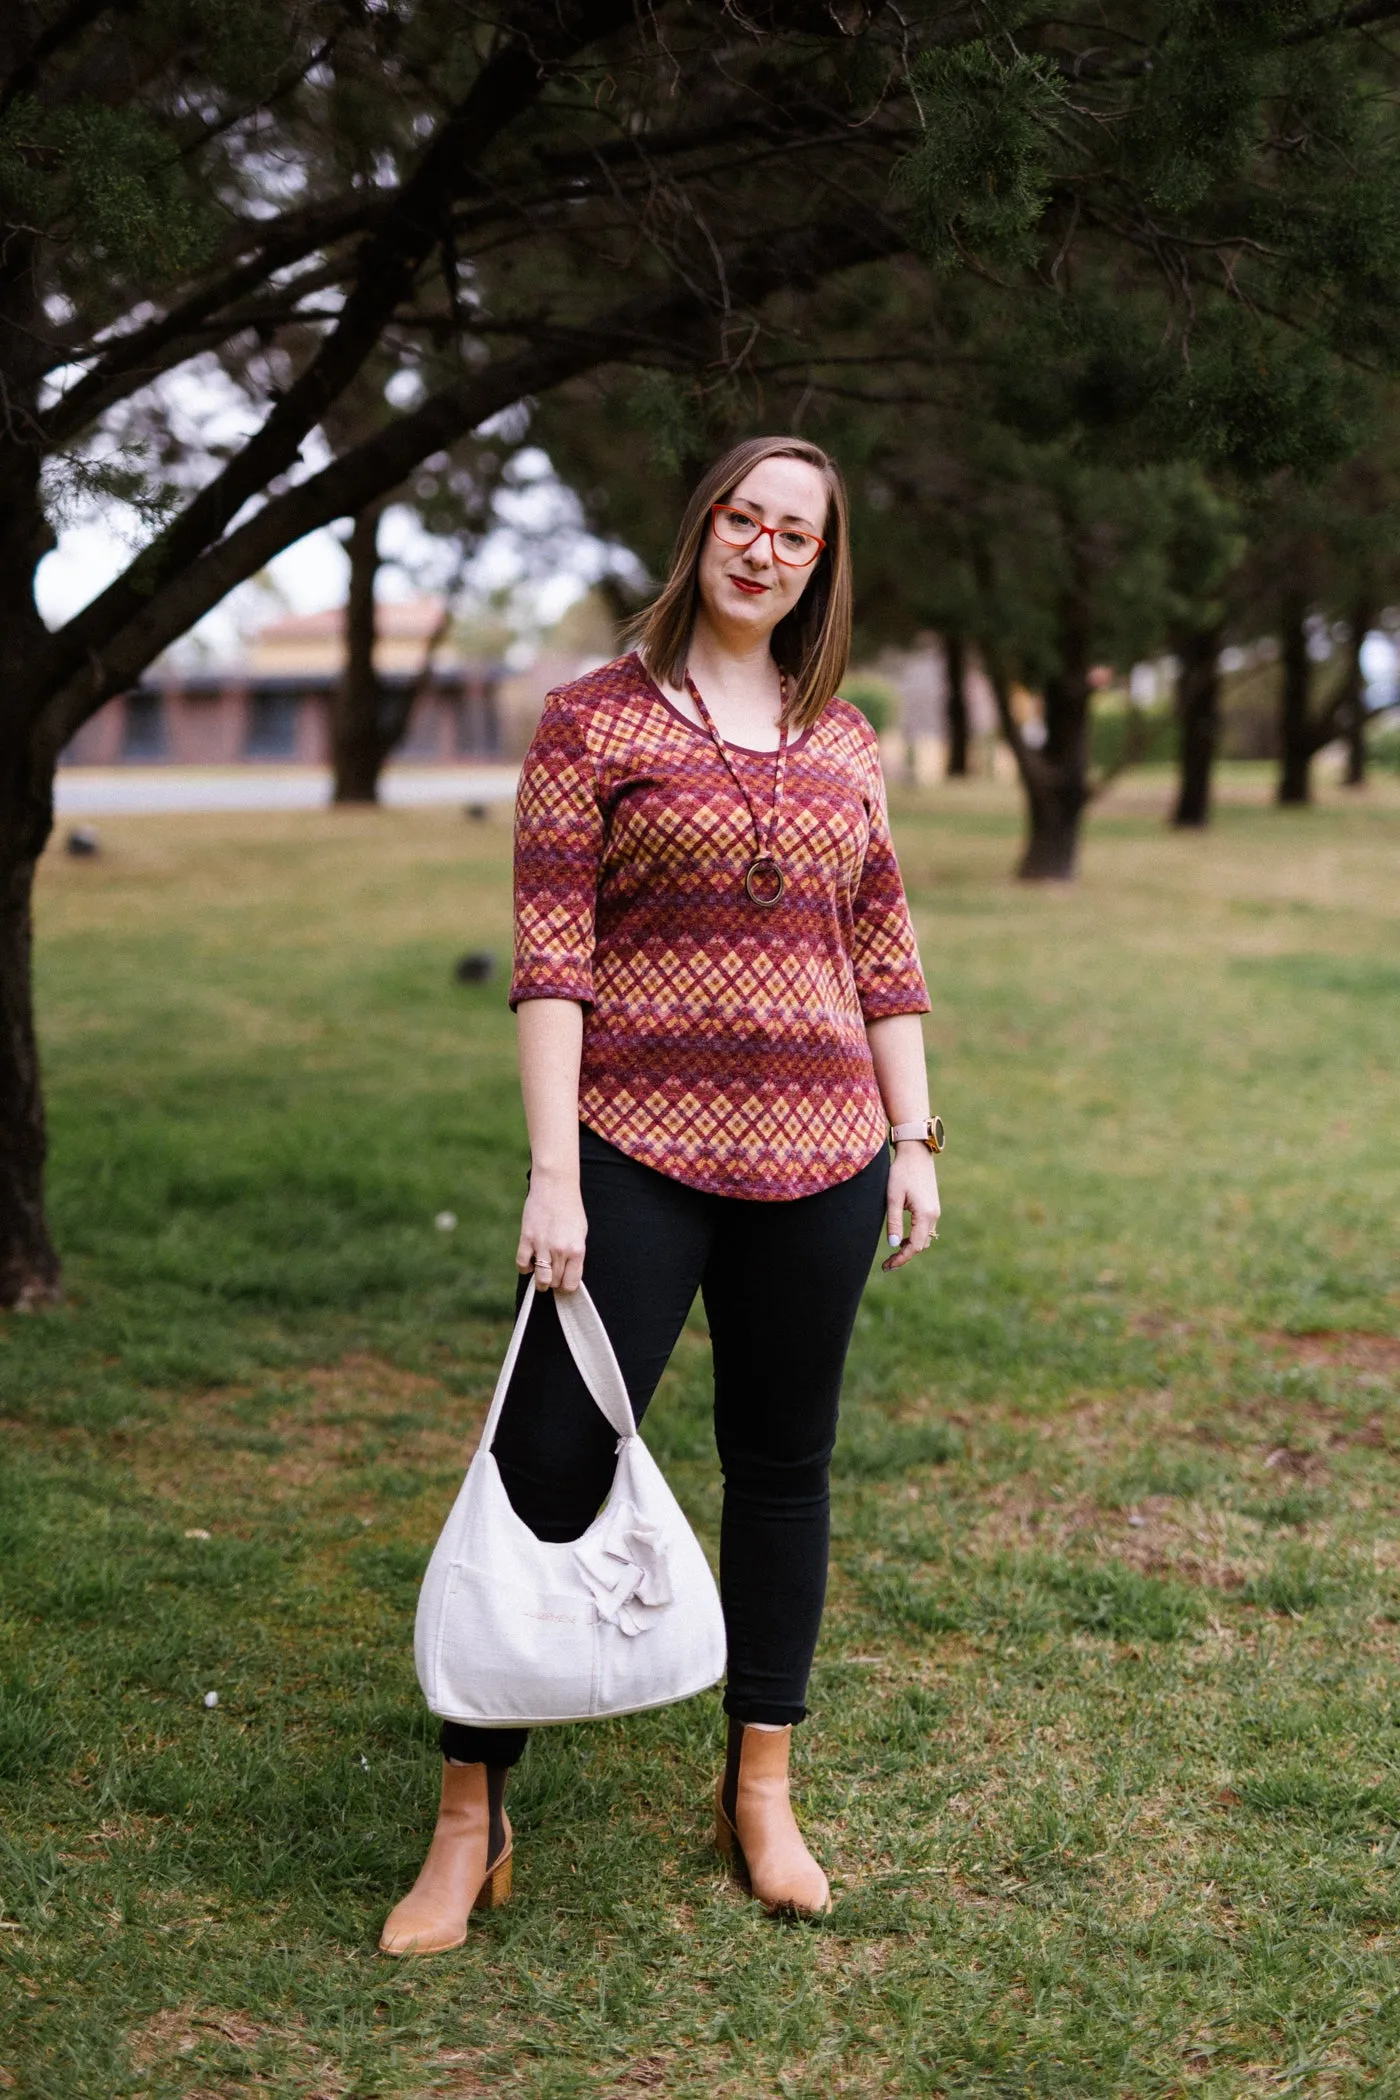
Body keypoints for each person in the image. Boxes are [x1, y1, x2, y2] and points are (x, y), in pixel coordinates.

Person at [380, 435, 939, 1956]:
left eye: (798, 535)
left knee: (782, 1467)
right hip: (630, 1146)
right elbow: (550, 957)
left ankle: (761, 1787)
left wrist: (915, 1137)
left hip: (819, 1156)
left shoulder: (847, 738)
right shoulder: (589, 722)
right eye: (744, 521)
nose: (766, 550)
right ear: (701, 530)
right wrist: (553, 1173)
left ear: (823, 564)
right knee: (542, 1461)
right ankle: (468, 1817)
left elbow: (881, 946)